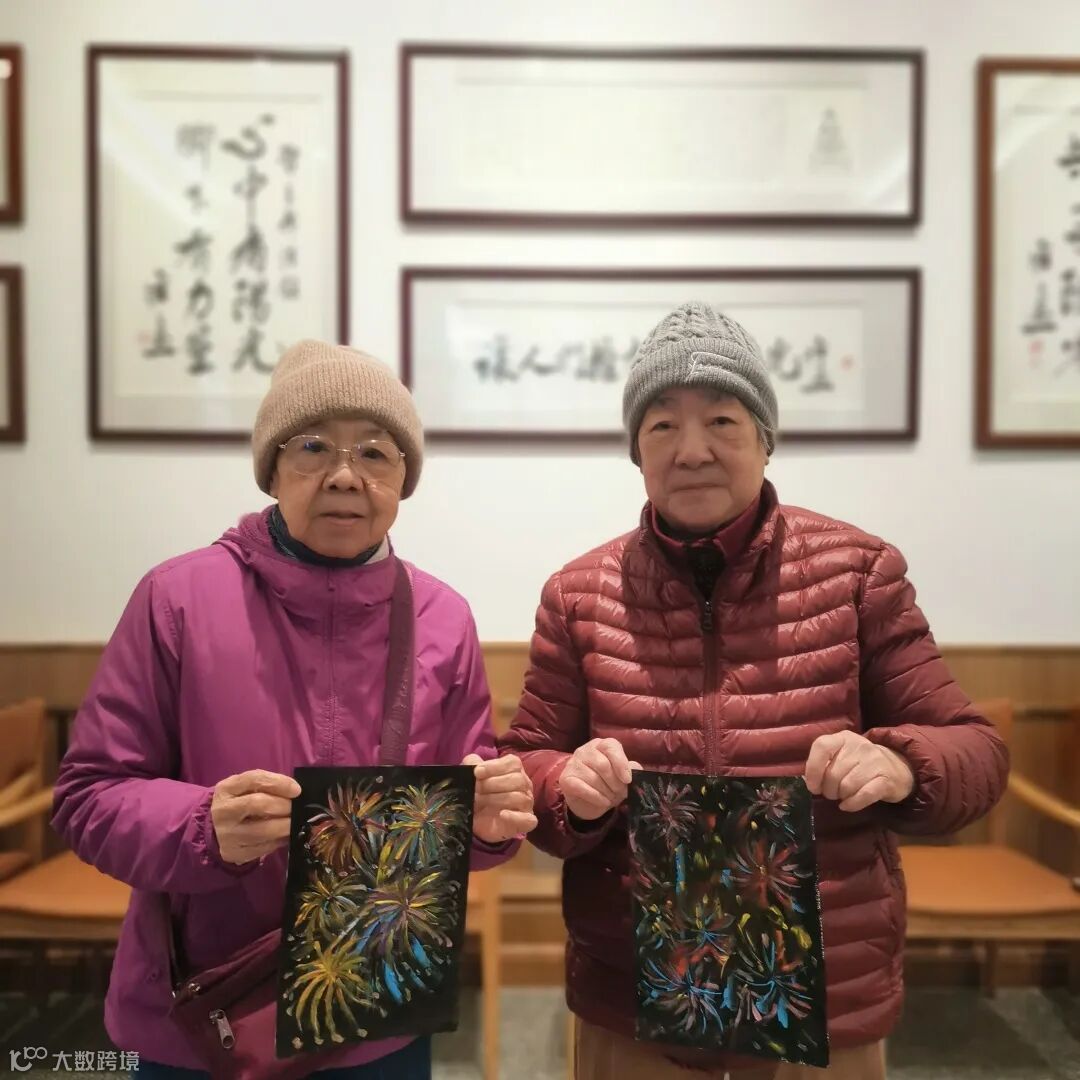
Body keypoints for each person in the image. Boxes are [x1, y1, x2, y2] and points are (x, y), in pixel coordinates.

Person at [499, 303, 1009, 1080]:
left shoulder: (857, 574)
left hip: (821, 991)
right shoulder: (578, 595)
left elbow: (977, 750)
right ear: (636, 450)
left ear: (766, 439)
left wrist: (901, 764)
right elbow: (525, 763)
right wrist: (566, 788)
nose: (692, 449)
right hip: (636, 990)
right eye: (662, 425)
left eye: (722, 420)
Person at [52, 340, 536, 1079]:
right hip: (207, 1012)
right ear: (272, 469)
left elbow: (458, 816)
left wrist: (489, 823)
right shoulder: (177, 600)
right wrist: (202, 826)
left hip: (380, 1010)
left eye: (375, 453)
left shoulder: (442, 617)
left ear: (403, 479)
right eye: (313, 447)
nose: (345, 475)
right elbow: (87, 796)